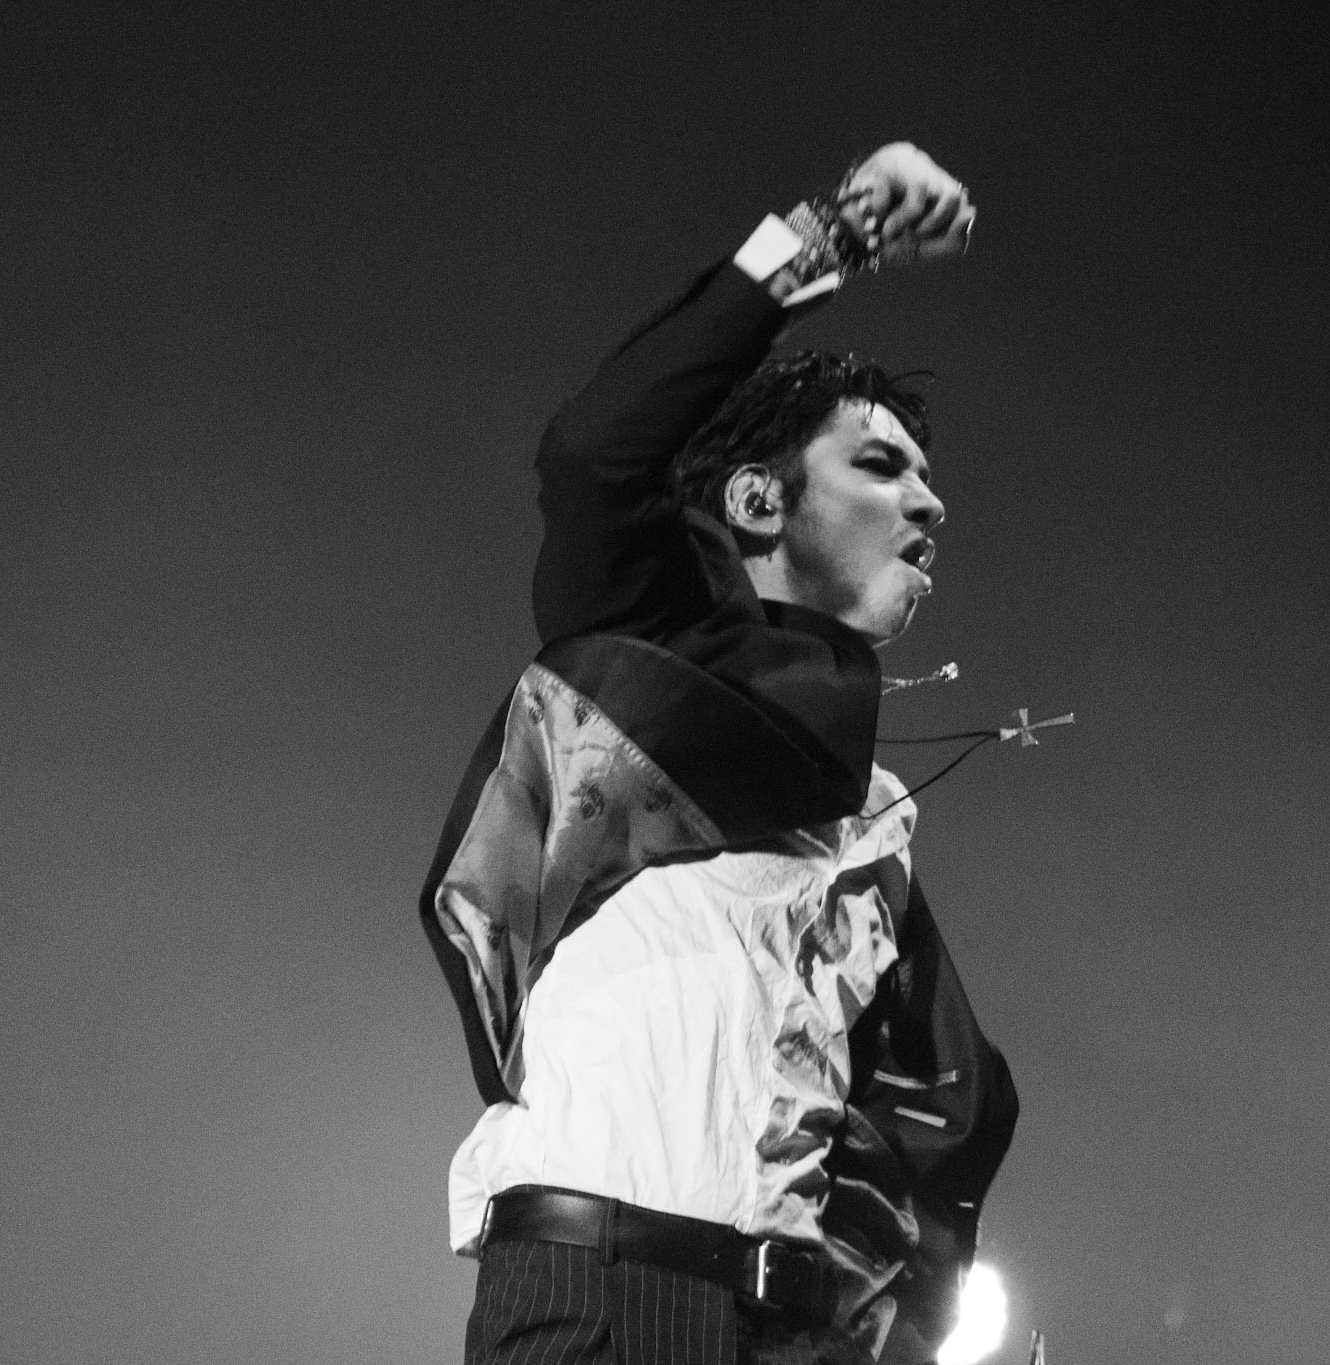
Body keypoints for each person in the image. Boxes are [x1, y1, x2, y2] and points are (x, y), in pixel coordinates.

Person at [421, 142, 1018, 1365]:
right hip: (598, 1291)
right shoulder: (642, 656)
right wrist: (836, 230)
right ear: (754, 503)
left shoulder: (874, 824)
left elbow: (935, 1120)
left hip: (776, 1333)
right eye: (879, 465)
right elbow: (594, 452)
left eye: (926, 476)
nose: (929, 503)